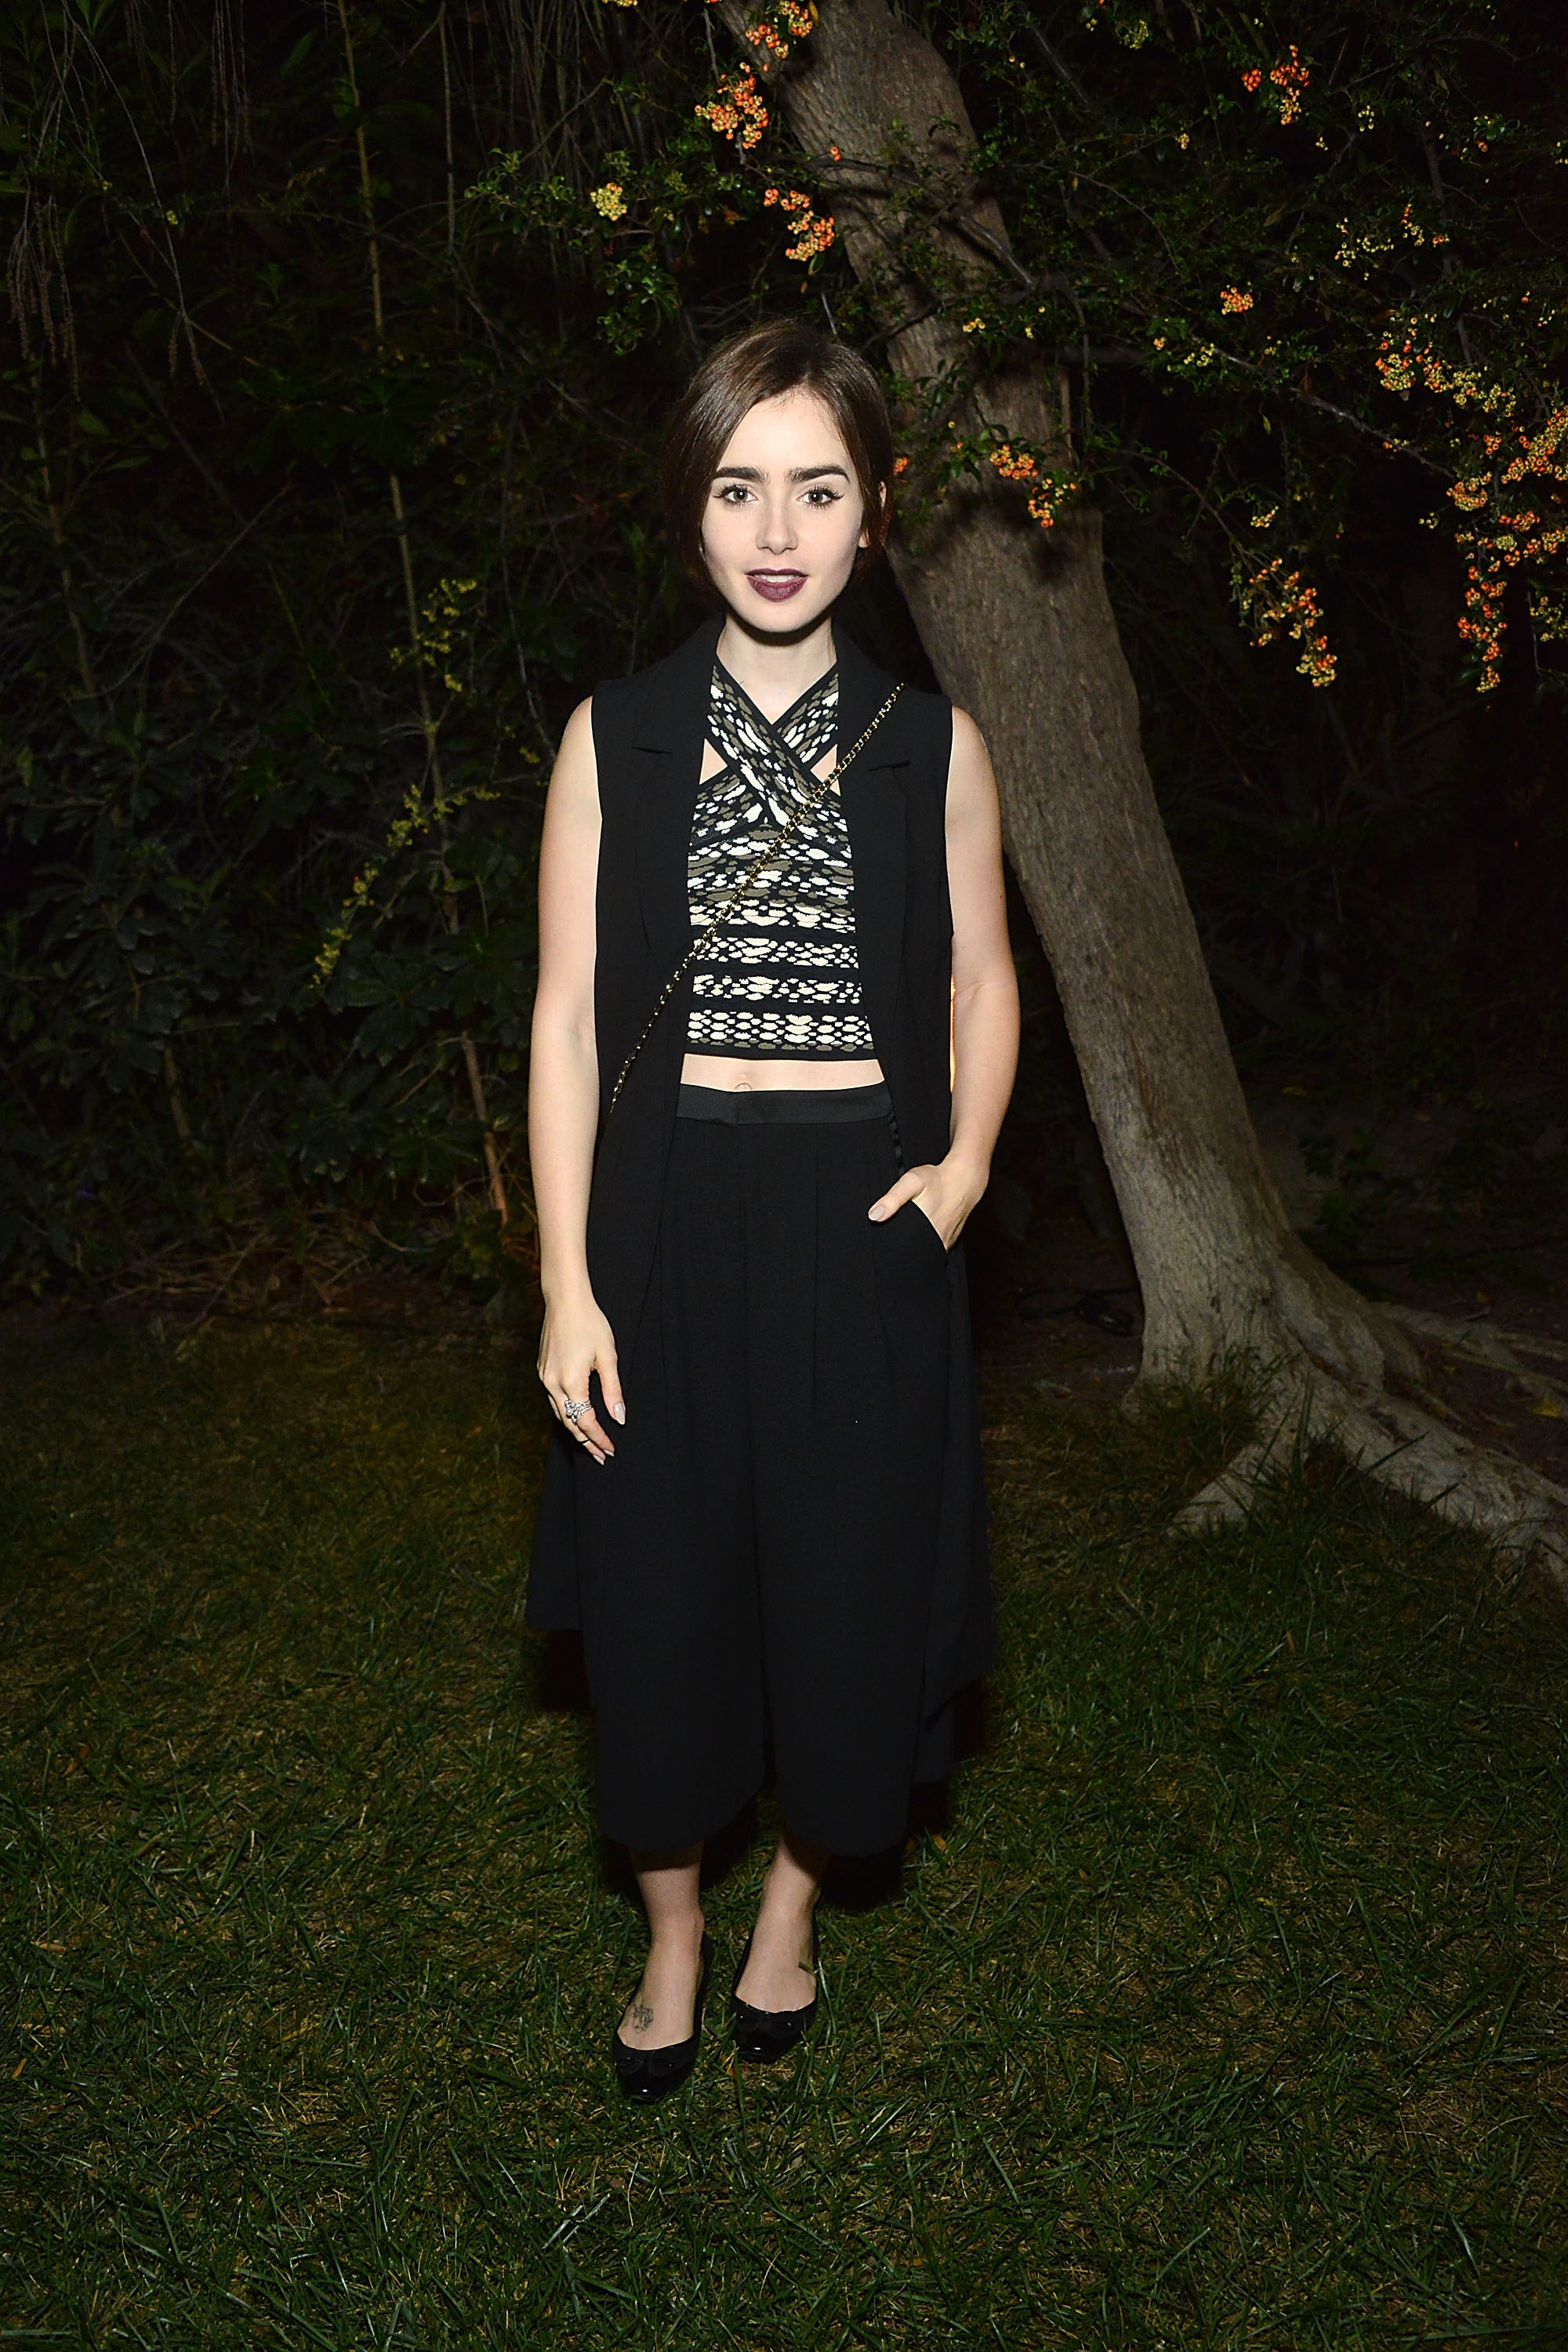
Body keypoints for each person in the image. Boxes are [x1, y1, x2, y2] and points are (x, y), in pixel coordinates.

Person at [526, 319, 1018, 2102]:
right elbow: (565, 1021)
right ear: (691, 512)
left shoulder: (929, 744)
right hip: (662, 1217)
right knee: (659, 1593)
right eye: (740, 488)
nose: (778, 528)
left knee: (845, 1585)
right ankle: (670, 1931)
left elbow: (981, 978)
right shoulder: (618, 737)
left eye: (819, 488)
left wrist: (960, 1176)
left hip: (859, 1215)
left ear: (875, 513)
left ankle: (790, 1914)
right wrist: (568, 1282)